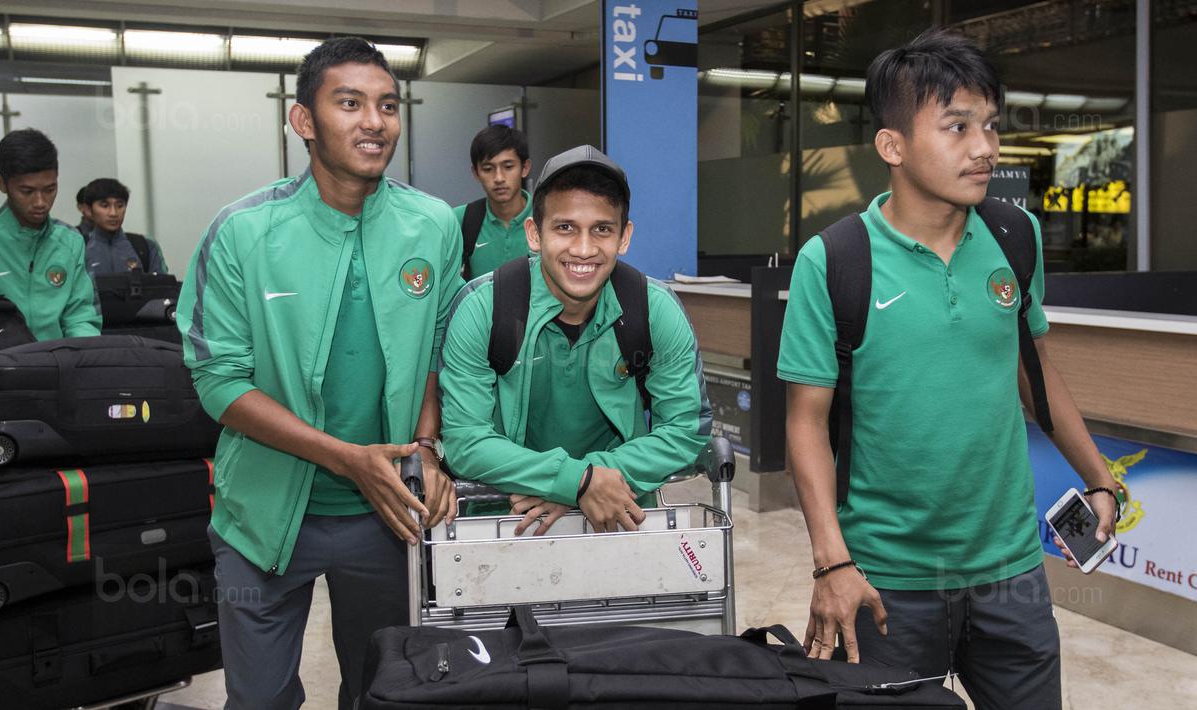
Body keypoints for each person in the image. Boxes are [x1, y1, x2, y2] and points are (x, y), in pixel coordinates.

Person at [777, 28, 1120, 709]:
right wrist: (832, 562)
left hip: (1010, 572)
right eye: (957, 127)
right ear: (892, 146)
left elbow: (1034, 374)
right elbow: (805, 425)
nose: (984, 147)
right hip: (885, 579)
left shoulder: (1012, 238)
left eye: (989, 127)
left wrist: (1098, 478)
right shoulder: (837, 260)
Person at [176, 37, 461, 709]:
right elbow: (218, 382)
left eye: (388, 105)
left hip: (388, 517)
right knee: (260, 699)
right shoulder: (242, 232)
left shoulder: (433, 225)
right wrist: (344, 458)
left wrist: (424, 447)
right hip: (264, 516)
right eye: (350, 103)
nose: (375, 121)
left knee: (383, 691)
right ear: (303, 121)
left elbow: (444, 351)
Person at [438, 145, 711, 535]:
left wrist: (586, 482)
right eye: (565, 227)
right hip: (505, 521)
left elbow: (686, 428)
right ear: (534, 233)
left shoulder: (653, 309)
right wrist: (577, 481)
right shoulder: (483, 307)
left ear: (624, 237)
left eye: (602, 229)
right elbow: (466, 439)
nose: (583, 249)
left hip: (619, 517)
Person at [0, 128, 100, 340]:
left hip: (57, 367)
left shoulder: (71, 241)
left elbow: (80, 317)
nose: (40, 202)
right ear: (1, 184)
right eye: (27, 192)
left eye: (50, 189)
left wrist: (85, 360)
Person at [452, 125, 533, 279]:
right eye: (488, 169)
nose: (499, 178)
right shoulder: (460, 220)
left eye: (508, 167)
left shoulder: (547, 216)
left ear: (525, 167)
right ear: (476, 173)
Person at [79, 177, 171, 275]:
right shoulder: (78, 247)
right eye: (105, 206)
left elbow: (162, 287)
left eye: (120, 205)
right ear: (89, 210)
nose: (113, 213)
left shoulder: (145, 246)